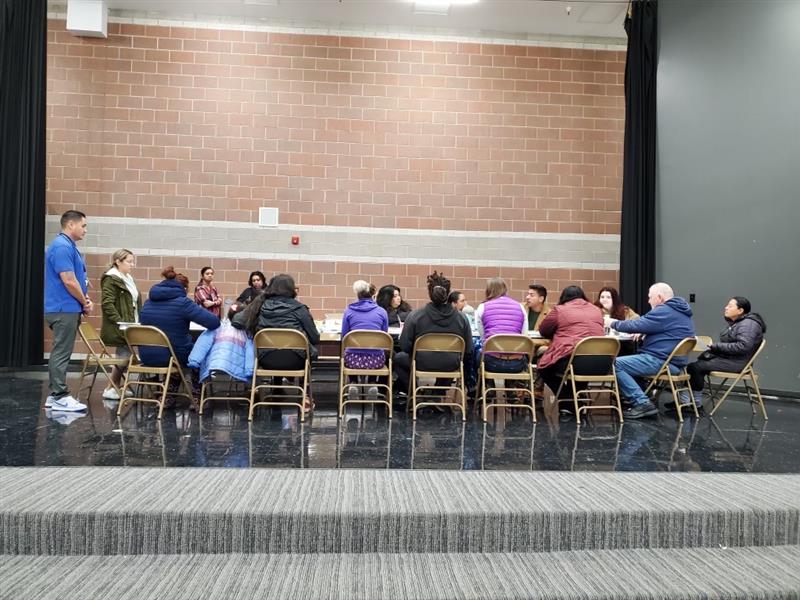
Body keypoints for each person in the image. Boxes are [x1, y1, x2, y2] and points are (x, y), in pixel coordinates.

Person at [608, 282, 695, 419]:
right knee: (632, 361)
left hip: (661, 361)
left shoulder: (663, 310)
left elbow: (637, 323)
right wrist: (644, 332)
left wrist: (612, 323)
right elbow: (662, 330)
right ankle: (643, 397)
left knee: (615, 363)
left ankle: (641, 402)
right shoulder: (682, 312)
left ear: (659, 298)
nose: (648, 301)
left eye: (650, 297)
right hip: (676, 363)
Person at [233, 274, 319, 412]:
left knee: (276, 347)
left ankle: (276, 392)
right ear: (291, 289)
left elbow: (237, 321)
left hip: (265, 359)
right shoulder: (300, 308)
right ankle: (306, 397)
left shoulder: (260, 304)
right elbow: (315, 338)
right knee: (306, 351)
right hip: (295, 360)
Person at [44, 210, 92, 412]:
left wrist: (85, 299)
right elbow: (69, 281)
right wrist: (83, 302)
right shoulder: (62, 246)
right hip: (63, 308)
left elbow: (78, 280)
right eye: (83, 226)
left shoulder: (68, 246)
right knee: (61, 352)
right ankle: (59, 396)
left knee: (62, 350)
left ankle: (54, 394)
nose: (85, 230)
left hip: (69, 307)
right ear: (71, 225)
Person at [394, 271, 473, 395]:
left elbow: (404, 346)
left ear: (430, 293)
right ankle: (438, 393)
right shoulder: (462, 318)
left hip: (421, 362)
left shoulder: (415, 316)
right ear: (448, 294)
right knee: (448, 358)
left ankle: (415, 392)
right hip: (451, 364)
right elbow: (468, 348)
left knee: (397, 358)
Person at [680, 297, 766, 407]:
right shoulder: (740, 323)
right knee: (697, 365)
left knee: (695, 367)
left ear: (740, 310)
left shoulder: (748, 325)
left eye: (730, 306)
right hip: (733, 360)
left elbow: (743, 346)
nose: (726, 308)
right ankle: (687, 401)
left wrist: (716, 346)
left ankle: (693, 403)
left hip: (738, 363)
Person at [139, 267, 220, 368]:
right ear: (184, 289)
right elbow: (214, 322)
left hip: (145, 356)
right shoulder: (183, 303)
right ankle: (194, 381)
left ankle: (170, 380)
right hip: (174, 355)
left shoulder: (147, 303)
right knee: (199, 350)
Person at [536, 285, 604, 401]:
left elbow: (544, 330)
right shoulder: (596, 310)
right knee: (580, 360)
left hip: (575, 363)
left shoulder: (559, 309)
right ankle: (575, 401)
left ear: (563, 297)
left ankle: (567, 401)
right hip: (602, 363)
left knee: (544, 367)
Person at [99, 249, 142, 400]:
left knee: (125, 354)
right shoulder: (111, 278)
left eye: (132, 261)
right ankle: (111, 387)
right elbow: (107, 303)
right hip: (121, 324)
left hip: (130, 323)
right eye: (129, 261)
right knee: (124, 354)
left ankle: (113, 386)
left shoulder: (127, 278)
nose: (132, 264)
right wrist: (120, 321)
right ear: (118, 261)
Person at [341, 280, 389, 400]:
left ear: (357, 295)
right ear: (373, 295)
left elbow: (344, 338)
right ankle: (372, 383)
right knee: (376, 351)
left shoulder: (348, 311)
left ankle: (353, 383)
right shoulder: (382, 312)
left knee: (350, 351)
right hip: (376, 361)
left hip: (353, 361)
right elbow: (385, 337)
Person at [188, 304, 255, 386]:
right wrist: (250, 370)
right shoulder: (247, 333)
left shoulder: (216, 327)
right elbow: (250, 352)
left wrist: (194, 360)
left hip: (214, 363)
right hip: (237, 366)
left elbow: (202, 344)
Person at [475, 277, 527, 373]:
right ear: (505, 289)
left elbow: (483, 336)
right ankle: (512, 384)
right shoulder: (520, 307)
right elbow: (524, 335)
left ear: (488, 290)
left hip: (491, 361)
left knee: (477, 353)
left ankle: (488, 385)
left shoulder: (482, 307)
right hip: (516, 363)